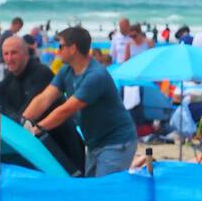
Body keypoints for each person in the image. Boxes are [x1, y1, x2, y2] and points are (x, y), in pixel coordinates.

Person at [21, 25, 138, 177]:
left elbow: (67, 109)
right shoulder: (66, 71)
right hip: (94, 143)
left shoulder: (95, 76)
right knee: (90, 190)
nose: (58, 50)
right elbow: (45, 98)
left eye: (61, 46)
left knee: (103, 192)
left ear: (73, 48)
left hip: (116, 142)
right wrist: (23, 121)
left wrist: (38, 128)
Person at [0, 35, 85, 174]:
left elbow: (31, 110)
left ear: (25, 54)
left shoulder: (42, 73)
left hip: (63, 146)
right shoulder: (5, 84)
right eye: (6, 54)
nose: (9, 58)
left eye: (14, 53)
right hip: (37, 151)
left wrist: (16, 125)